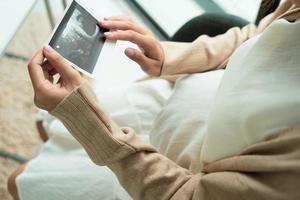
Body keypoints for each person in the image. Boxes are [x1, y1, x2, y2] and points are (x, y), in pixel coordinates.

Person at [9, 0, 300, 199]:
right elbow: (259, 33)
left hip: (163, 176)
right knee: (49, 127)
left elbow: (190, 195)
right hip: (179, 99)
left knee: (19, 179)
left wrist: (82, 117)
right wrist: (168, 57)